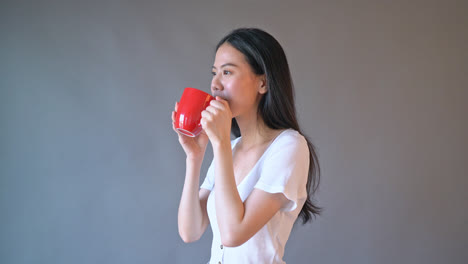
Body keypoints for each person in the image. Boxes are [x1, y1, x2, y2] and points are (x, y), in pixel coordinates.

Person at [172, 28, 321, 264]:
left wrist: (220, 145)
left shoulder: (289, 146)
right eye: (214, 73)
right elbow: (190, 231)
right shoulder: (230, 148)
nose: (215, 84)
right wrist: (195, 157)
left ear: (263, 83)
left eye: (227, 72)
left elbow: (233, 233)